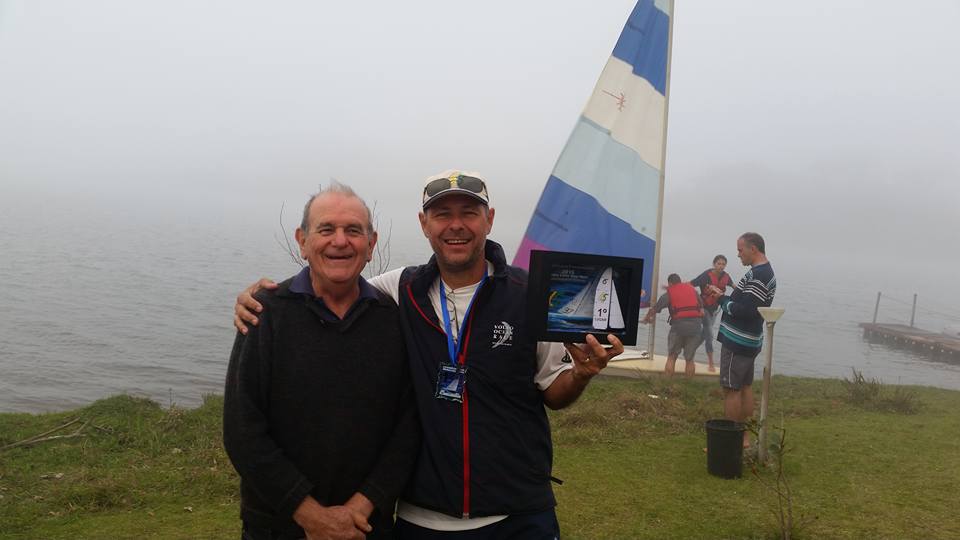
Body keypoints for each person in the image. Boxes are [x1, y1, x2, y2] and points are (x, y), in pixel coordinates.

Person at [234, 170, 624, 539]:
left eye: (468, 213)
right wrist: (261, 298)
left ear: (489, 220)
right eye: (442, 215)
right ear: (424, 224)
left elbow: (553, 391)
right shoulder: (397, 290)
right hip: (421, 517)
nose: (456, 225)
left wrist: (580, 374)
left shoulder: (531, 294)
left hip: (518, 512)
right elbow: (334, 284)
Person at [223, 183, 420, 540]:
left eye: (353, 230)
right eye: (326, 229)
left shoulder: (393, 320)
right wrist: (310, 516)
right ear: (302, 241)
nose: (340, 241)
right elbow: (242, 429)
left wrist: (360, 507)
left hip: (366, 527)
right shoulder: (265, 314)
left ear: (372, 244)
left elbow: (408, 428)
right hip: (276, 528)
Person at [705, 232, 776, 448]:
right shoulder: (763, 272)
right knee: (744, 387)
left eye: (740, 250)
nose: (738, 255)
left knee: (731, 389)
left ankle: (730, 441)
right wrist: (724, 296)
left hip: (738, 341)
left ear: (753, 249)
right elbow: (748, 303)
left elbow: (747, 311)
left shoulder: (759, 275)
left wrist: (722, 300)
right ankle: (744, 438)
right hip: (749, 339)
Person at [641, 273, 704, 377]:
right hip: (695, 328)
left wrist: (646, 319)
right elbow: (701, 309)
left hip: (678, 328)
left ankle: (667, 382)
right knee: (690, 359)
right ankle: (689, 383)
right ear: (680, 281)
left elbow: (655, 309)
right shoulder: (692, 290)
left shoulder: (669, 294)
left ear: (670, 283)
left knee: (672, 356)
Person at [690, 255, 733, 372]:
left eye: (723, 264)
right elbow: (690, 284)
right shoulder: (706, 275)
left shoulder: (726, 276)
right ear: (714, 264)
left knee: (704, 334)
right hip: (703, 309)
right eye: (719, 263)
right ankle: (711, 363)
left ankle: (690, 351)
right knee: (709, 334)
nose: (721, 266)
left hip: (714, 310)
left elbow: (734, 287)